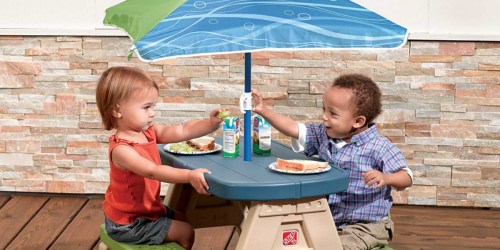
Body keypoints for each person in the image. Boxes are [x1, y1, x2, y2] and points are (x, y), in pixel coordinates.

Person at [252, 73, 413, 250]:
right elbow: (294, 128)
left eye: (333, 113)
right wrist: (264, 110)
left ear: (358, 121)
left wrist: (387, 178)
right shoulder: (324, 135)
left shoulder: (379, 147)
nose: (324, 117)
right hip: (330, 218)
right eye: (324, 110)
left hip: (365, 226)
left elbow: (406, 176)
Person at [95, 66, 224, 249]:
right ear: (117, 111)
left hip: (145, 211)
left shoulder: (148, 132)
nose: (153, 112)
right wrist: (189, 175)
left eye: (153, 106)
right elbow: (153, 171)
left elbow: (182, 130)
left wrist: (210, 124)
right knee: (186, 231)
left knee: (184, 218)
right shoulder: (122, 150)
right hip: (129, 224)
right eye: (146, 107)